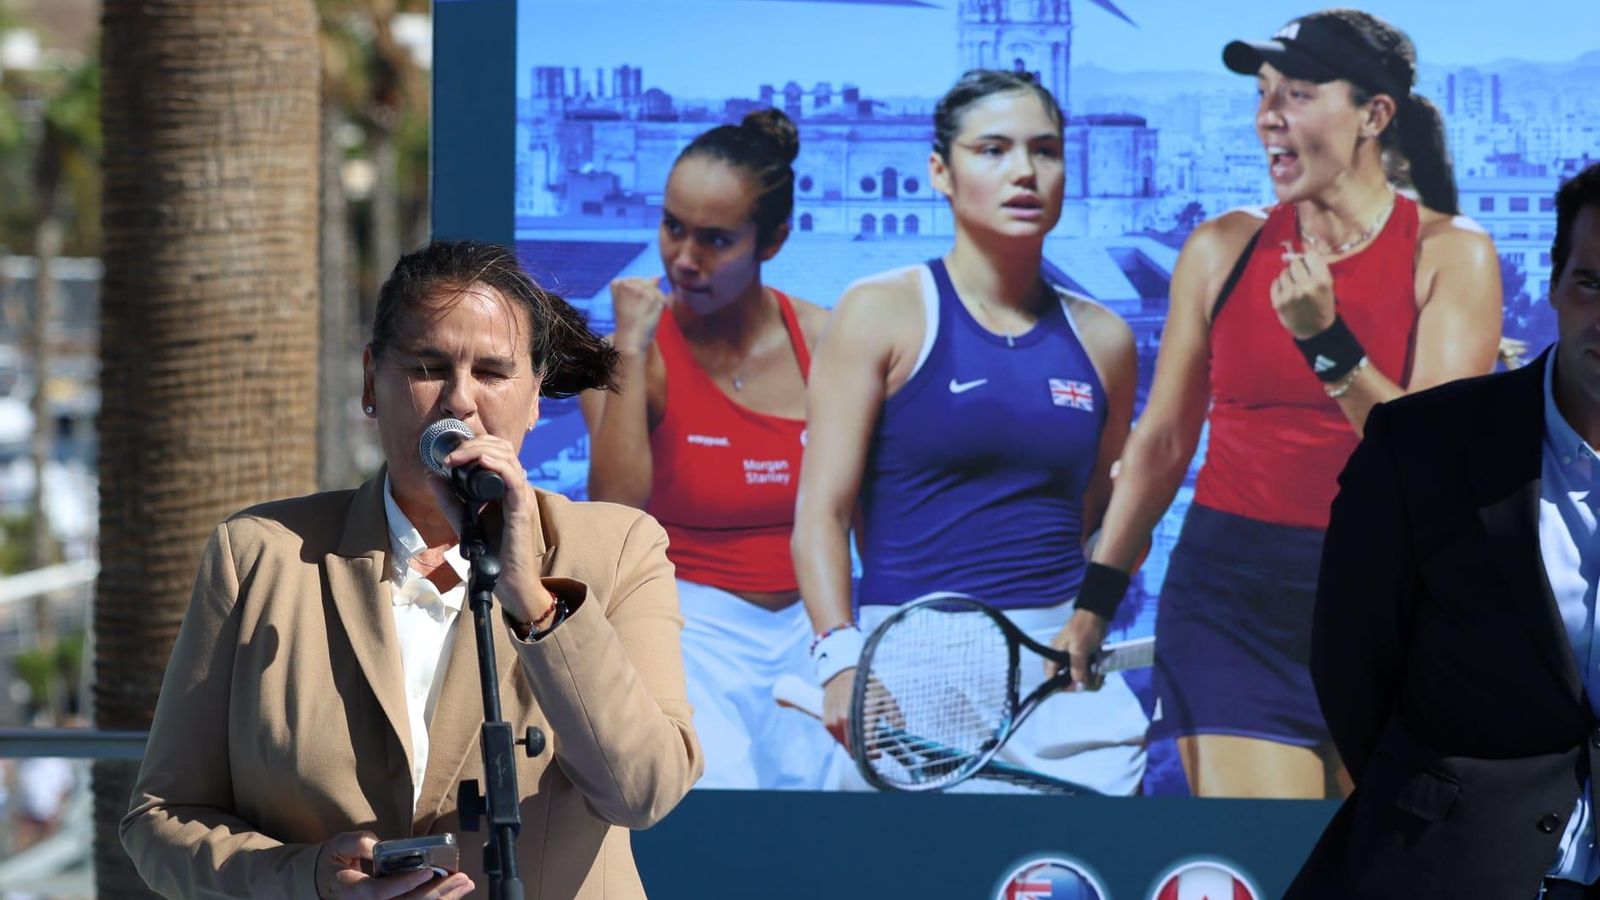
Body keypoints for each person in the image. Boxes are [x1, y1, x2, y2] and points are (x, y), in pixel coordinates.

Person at [121, 241, 702, 900]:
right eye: (429, 366)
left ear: (535, 396)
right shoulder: (259, 556)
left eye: (492, 371)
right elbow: (159, 819)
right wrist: (310, 879)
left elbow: (645, 792)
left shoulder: (618, 548)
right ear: (373, 382)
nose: (460, 399)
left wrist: (528, 595)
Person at [1053, 8, 1503, 799]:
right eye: (1263, 94)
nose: (1268, 116)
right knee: (1270, 862)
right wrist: (1096, 601)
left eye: (1296, 93)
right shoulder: (1219, 248)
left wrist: (1328, 345)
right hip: (1234, 600)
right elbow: (1161, 446)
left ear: (1374, 114)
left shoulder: (1452, 255)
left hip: (1395, 605)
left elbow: (1431, 463)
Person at [792, 69, 1148, 795]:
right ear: (940, 172)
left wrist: (1081, 622)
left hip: (1062, 675)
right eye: (993, 149)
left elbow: (1098, 517)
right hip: (905, 670)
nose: (1025, 171)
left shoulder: (1106, 339)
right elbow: (821, 516)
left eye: (1045, 151)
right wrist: (841, 663)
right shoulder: (876, 312)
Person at [1286, 163, 1600, 898]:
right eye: (1593, 284)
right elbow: (1351, 663)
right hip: (1449, 867)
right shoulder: (1421, 444)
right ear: (1554, 287)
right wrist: (1443, 805)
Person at [579, 108, 832, 790]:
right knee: (722, 799)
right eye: (673, 227)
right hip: (686, 630)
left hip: (811, 632)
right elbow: (613, 511)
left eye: (715, 239)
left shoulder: (828, 342)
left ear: (773, 240)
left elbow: (869, 509)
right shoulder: (627, 355)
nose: (684, 259)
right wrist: (629, 346)